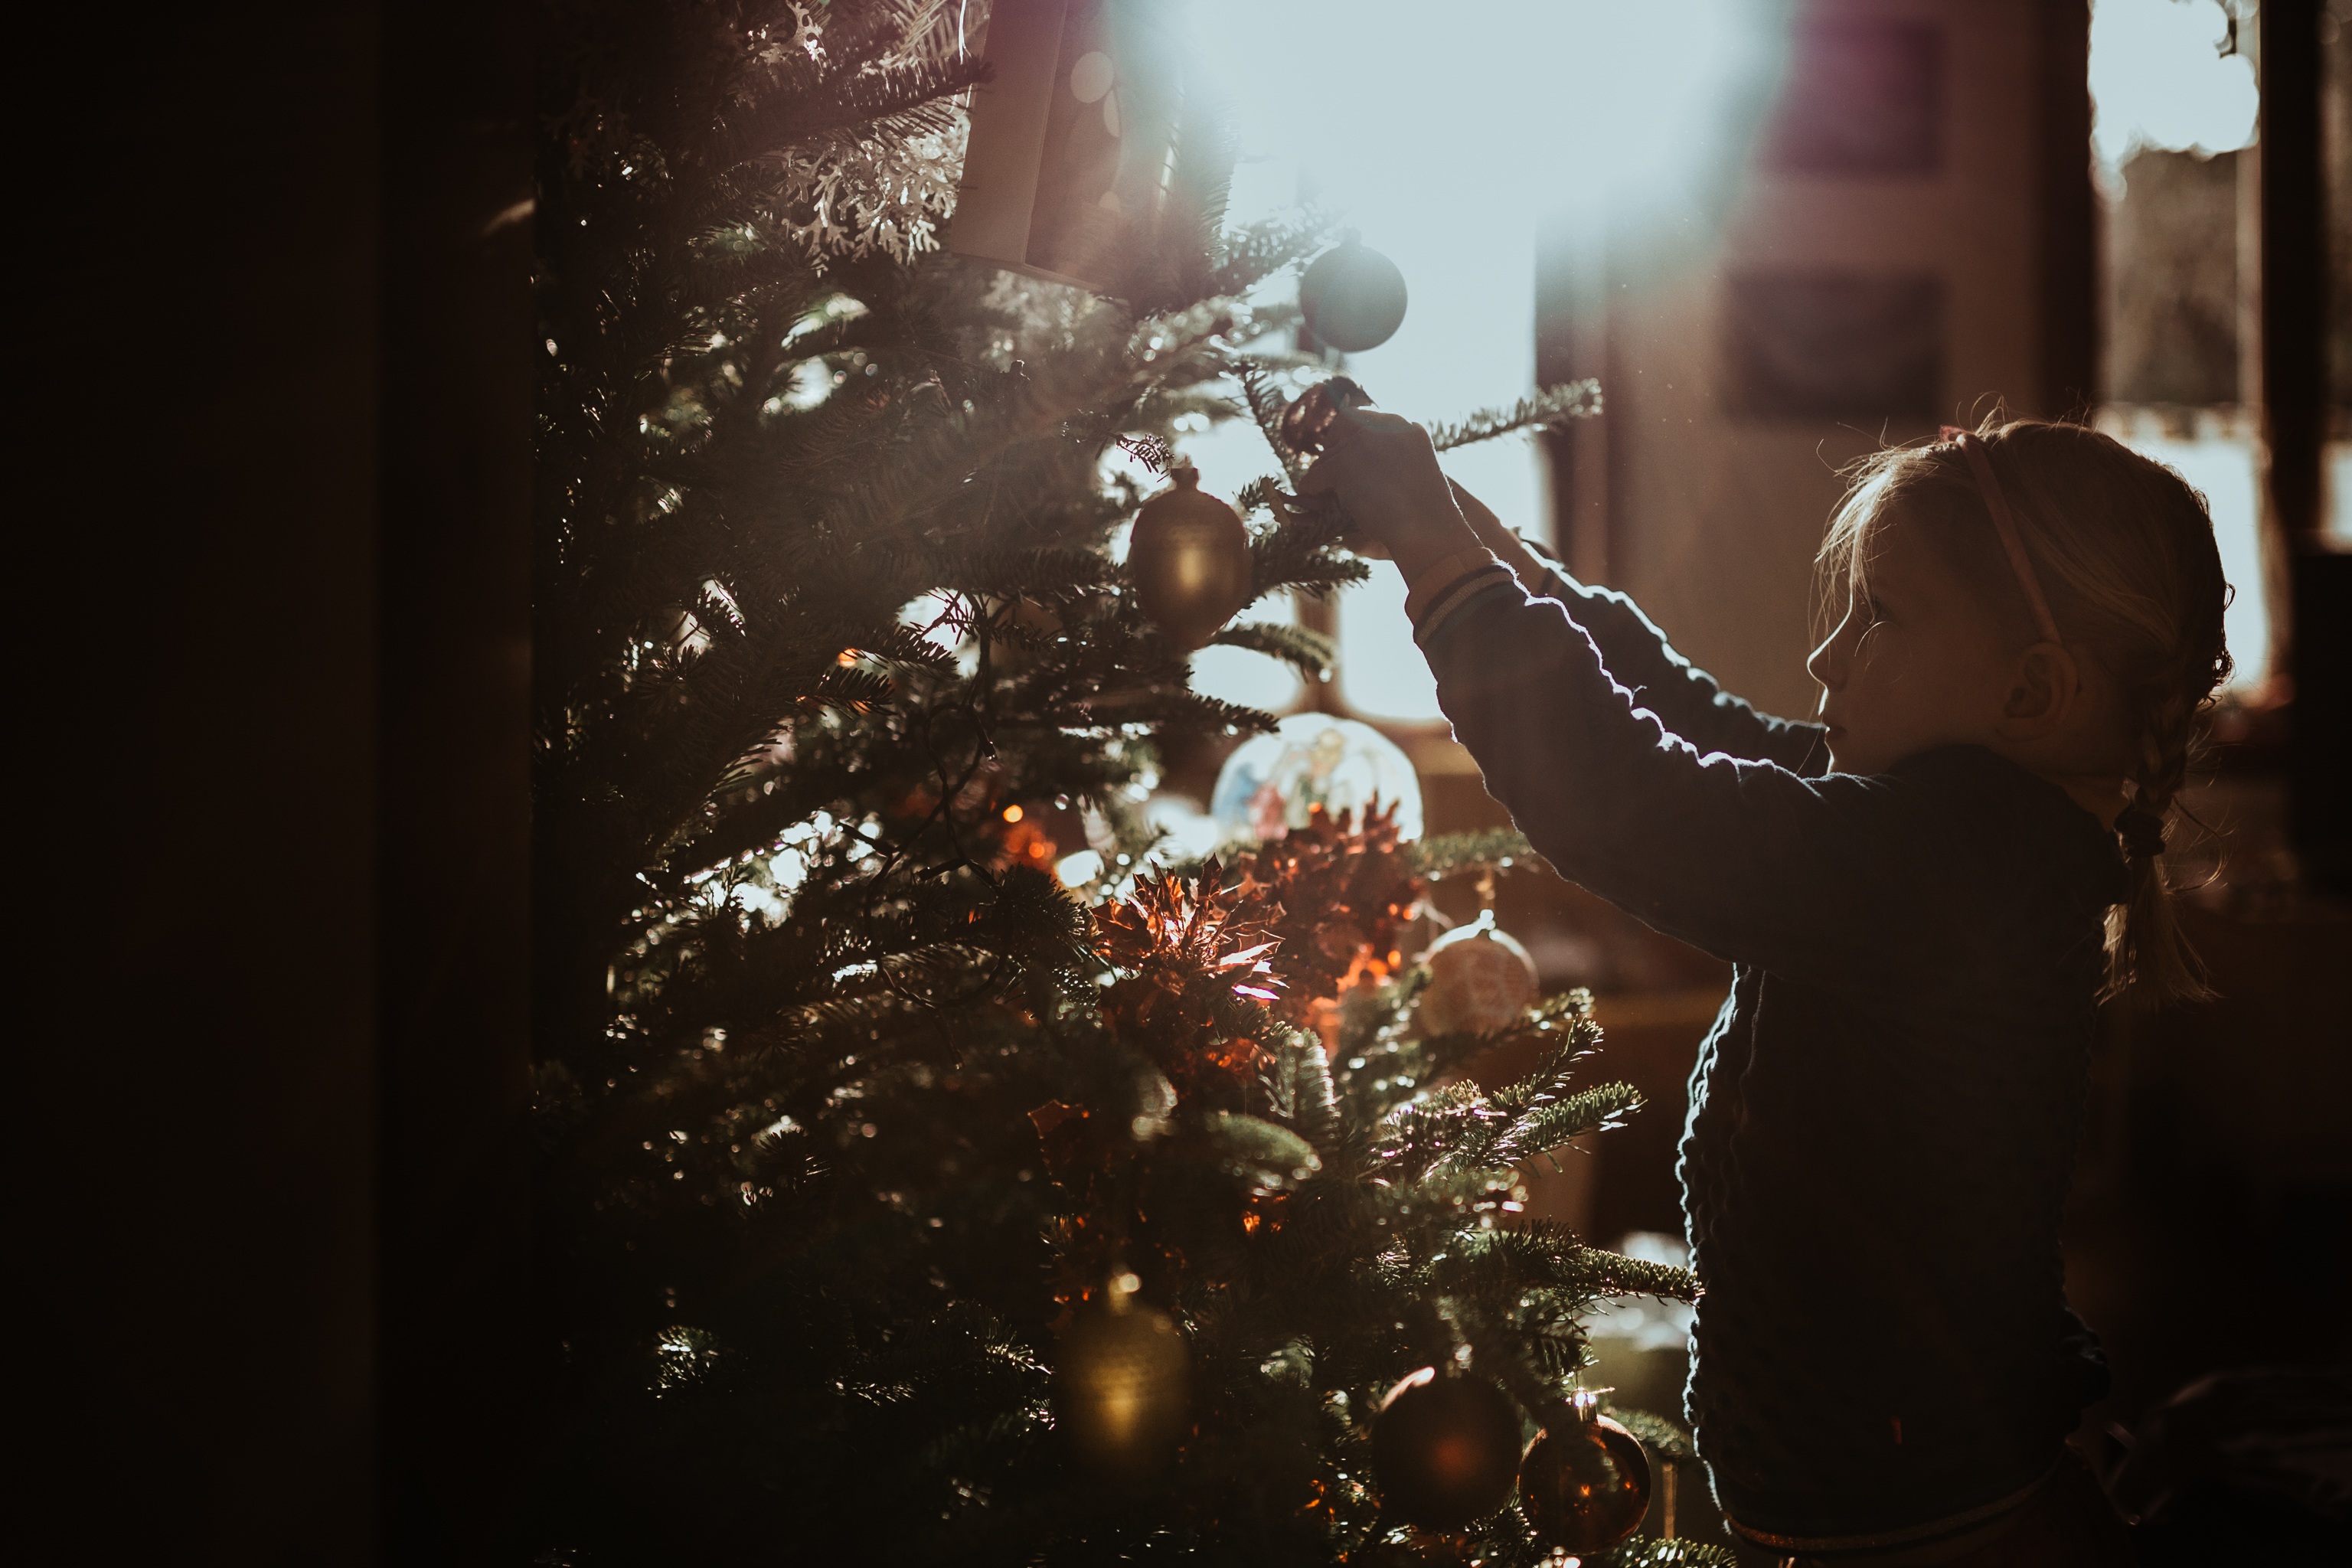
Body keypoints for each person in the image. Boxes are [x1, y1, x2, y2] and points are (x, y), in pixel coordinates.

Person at [1298, 408, 2231, 1566]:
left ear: (2034, 692)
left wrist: (1439, 561)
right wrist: (1481, 546)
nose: (1828, 655)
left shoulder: (1956, 873)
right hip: (1875, 1510)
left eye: (1881, 613)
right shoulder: (1942, 828)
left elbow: (1629, 795)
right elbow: (1700, 725)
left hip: (1921, 1536)